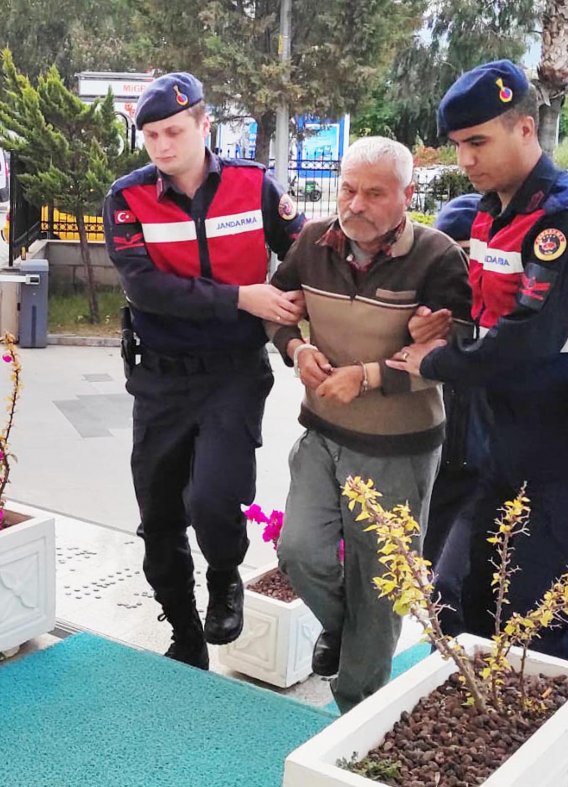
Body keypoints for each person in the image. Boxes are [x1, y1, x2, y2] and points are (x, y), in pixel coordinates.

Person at [388, 60, 568, 726]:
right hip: (505, 445)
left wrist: (438, 360)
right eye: (458, 144)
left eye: (478, 142)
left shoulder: (565, 221)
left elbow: (530, 337)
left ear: (524, 128)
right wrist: (444, 323)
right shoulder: (491, 215)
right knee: (452, 599)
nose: (464, 158)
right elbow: (492, 311)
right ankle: (504, 721)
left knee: (534, 616)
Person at [103, 72, 305, 671]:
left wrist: (299, 317)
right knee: (159, 512)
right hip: (161, 377)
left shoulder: (255, 187)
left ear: (203, 125)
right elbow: (146, 289)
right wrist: (242, 297)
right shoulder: (127, 198)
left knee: (215, 496)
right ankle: (184, 629)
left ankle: (224, 576)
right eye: (151, 135)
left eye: (173, 131)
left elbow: (304, 254)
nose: (161, 146)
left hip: (233, 372)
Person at [265, 137, 472, 713]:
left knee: (382, 585)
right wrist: (296, 352)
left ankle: (354, 717)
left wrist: (369, 376)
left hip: (399, 448)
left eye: (374, 193)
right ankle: (346, 631)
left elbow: (456, 355)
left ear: (408, 195)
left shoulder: (437, 257)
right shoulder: (311, 242)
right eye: (348, 189)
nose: (355, 204)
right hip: (323, 433)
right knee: (299, 551)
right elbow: (280, 313)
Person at [422, 194, 494, 569]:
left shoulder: (505, 319)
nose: (463, 266)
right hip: (434, 472)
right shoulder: (424, 309)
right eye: (453, 254)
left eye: (472, 253)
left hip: (488, 475)